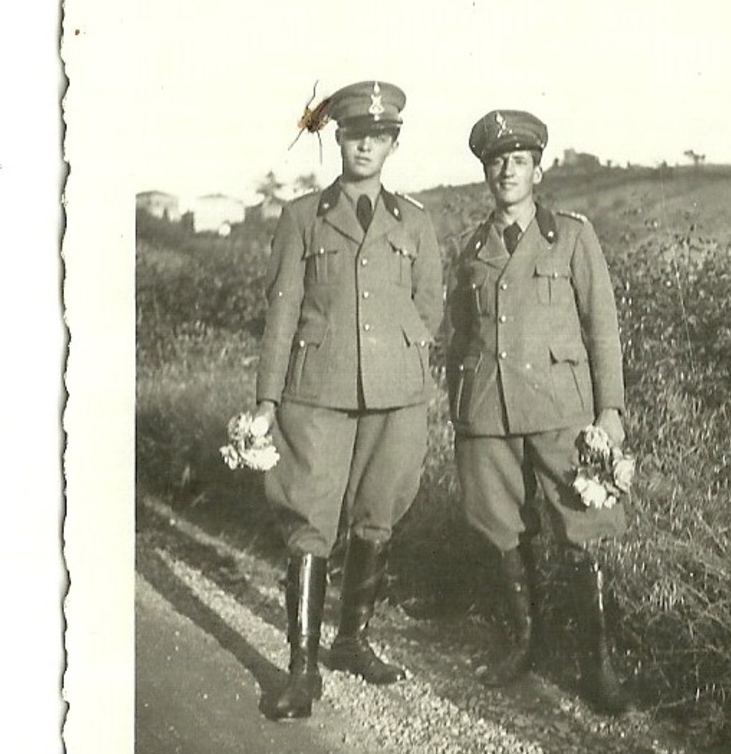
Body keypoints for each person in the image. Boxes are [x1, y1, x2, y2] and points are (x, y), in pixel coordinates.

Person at [254, 80, 444, 720]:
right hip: (317, 392)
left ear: (393, 144)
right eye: (355, 134)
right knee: (311, 517)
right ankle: (302, 669)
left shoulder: (414, 221)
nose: (366, 144)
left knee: (378, 513)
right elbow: (280, 315)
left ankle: (351, 640)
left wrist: (404, 349)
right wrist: (266, 399)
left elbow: (430, 305)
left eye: (379, 136)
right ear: (339, 139)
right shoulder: (302, 217)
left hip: (396, 394)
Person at [447, 109, 629, 714]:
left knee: (583, 525)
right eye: (497, 162)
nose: (506, 170)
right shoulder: (471, 247)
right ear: (485, 173)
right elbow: (460, 336)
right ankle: (526, 644)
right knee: (500, 524)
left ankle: (596, 664)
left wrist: (610, 411)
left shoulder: (572, 236)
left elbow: (602, 328)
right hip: (489, 412)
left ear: (538, 170)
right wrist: (460, 411)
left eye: (518, 161)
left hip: (560, 410)